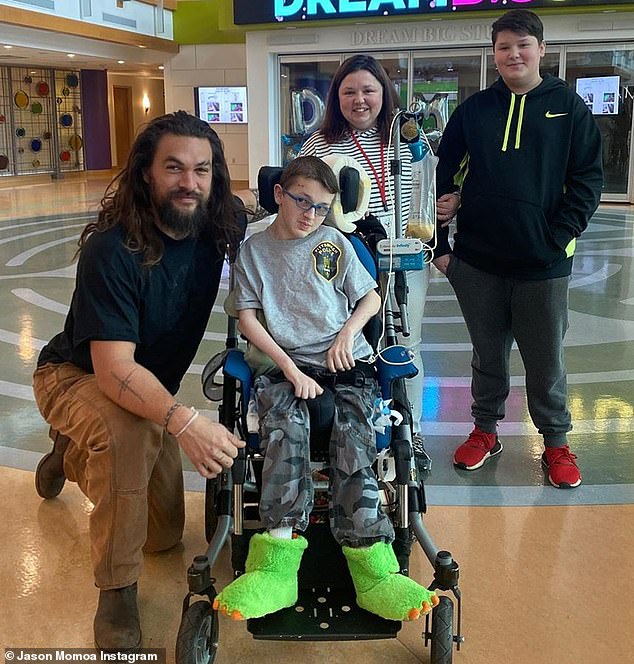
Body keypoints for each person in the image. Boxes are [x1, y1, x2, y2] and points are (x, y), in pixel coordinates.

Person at [32, 111, 247, 651]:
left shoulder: (217, 225)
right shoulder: (113, 248)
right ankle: (116, 592)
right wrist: (184, 420)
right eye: (173, 167)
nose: (188, 182)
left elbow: (292, 213)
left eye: (202, 170)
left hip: (141, 386)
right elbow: (114, 370)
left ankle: (73, 454)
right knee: (131, 432)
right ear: (147, 173)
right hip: (76, 374)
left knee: (165, 536)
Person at [213, 156, 438, 622]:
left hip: (345, 365)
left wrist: (345, 336)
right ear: (279, 194)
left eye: (321, 207)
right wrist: (290, 370)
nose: (311, 216)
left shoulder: (333, 242)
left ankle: (373, 569)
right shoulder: (254, 252)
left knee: (355, 435)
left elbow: (371, 296)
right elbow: (249, 319)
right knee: (284, 428)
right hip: (283, 366)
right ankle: (276, 563)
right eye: (302, 203)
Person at [433, 9, 603, 488]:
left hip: (543, 265)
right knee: (487, 355)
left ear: (541, 50)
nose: (514, 54)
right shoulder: (475, 110)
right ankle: (485, 431)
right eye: (504, 46)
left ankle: (555, 442)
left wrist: (557, 237)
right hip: (479, 263)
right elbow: (442, 175)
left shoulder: (568, 108)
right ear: (494, 54)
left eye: (523, 45)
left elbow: (588, 179)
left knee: (546, 359)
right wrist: (443, 248)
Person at [298, 54, 444, 471]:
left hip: (404, 261)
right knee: (351, 343)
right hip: (346, 263)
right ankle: (355, 427)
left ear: (384, 93)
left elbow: (426, 193)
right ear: (336, 97)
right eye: (348, 92)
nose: (359, 100)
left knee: (403, 343)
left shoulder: (407, 138)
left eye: (368, 90)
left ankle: (408, 435)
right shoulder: (319, 144)